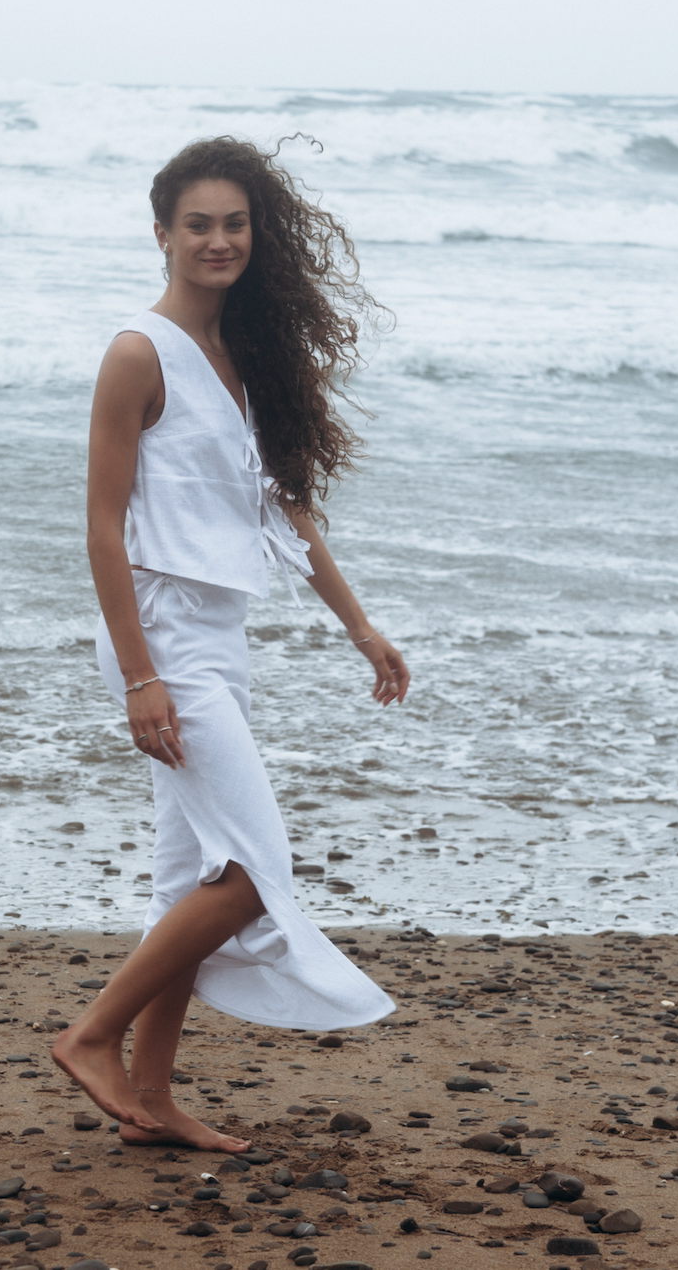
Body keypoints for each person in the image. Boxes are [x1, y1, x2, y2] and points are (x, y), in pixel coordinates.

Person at [52, 136, 409, 1152]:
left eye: (235, 223)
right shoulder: (139, 352)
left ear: (259, 233)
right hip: (161, 638)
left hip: (218, 636)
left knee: (189, 881)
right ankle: (91, 1035)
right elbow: (101, 527)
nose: (219, 240)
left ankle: (152, 1096)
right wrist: (140, 677)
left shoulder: (246, 359)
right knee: (254, 865)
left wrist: (359, 626)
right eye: (198, 223)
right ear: (161, 233)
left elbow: (283, 510)